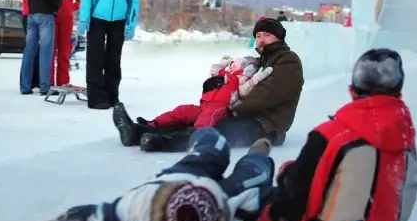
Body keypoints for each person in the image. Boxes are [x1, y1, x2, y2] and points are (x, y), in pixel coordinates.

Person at [251, 48, 417, 221]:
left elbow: (290, 213)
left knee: (283, 179)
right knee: (297, 171)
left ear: (352, 91)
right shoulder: (405, 137)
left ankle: (254, 164)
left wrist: (264, 219)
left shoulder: (330, 135)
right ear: (398, 93)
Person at [40, 128, 275, 221]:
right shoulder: (232, 210)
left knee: (212, 141)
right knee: (253, 174)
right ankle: (256, 153)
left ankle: (181, 137)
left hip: (181, 173)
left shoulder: (141, 205)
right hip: (212, 188)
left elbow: (100, 214)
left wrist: (72, 217)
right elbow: (274, 203)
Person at [112, 18, 303, 152]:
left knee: (213, 129)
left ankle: (164, 143)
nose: (261, 39)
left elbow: (267, 93)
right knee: (195, 116)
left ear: (279, 38)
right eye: (258, 35)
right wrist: (217, 86)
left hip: (266, 126)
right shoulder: (259, 61)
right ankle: (138, 132)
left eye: (267, 35)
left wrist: (231, 105)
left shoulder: (288, 61)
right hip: (244, 114)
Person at [114, 57, 273, 148]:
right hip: (204, 104)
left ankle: (195, 135)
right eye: (234, 62)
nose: (234, 64)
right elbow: (213, 71)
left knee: (207, 118)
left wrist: (256, 77)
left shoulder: (242, 78)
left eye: (239, 63)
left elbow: (246, 89)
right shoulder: (224, 74)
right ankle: (151, 125)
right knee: (181, 111)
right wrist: (220, 67)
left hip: (220, 107)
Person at [77, 0, 139, 110]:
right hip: (97, 18)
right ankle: (96, 97)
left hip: (119, 20)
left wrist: (131, 24)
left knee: (114, 58)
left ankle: (112, 96)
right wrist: (84, 17)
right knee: (95, 57)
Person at [13, 0, 62, 95]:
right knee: (46, 52)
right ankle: (45, 87)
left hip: (31, 15)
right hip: (46, 14)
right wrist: (56, 5)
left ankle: (24, 86)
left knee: (29, 51)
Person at [51, 0, 81, 87]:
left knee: (64, 52)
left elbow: (81, 0)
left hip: (66, 21)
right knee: (50, 52)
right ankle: (49, 82)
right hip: (52, 19)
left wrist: (70, 7)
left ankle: (63, 82)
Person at [16, 0, 40, 90]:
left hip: (28, 15)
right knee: (31, 50)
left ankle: (32, 80)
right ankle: (28, 81)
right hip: (30, 15)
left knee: (33, 50)